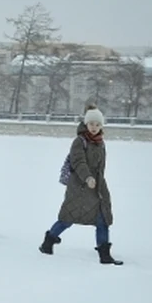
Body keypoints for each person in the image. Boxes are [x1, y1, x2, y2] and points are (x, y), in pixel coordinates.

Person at [39, 103, 123, 265]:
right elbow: (78, 162)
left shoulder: (100, 142)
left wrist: (97, 182)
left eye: (98, 124)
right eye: (91, 124)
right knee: (68, 218)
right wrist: (87, 178)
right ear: (86, 124)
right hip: (80, 187)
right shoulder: (79, 141)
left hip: (97, 188)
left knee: (102, 219)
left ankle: (104, 255)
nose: (94, 127)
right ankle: (48, 242)